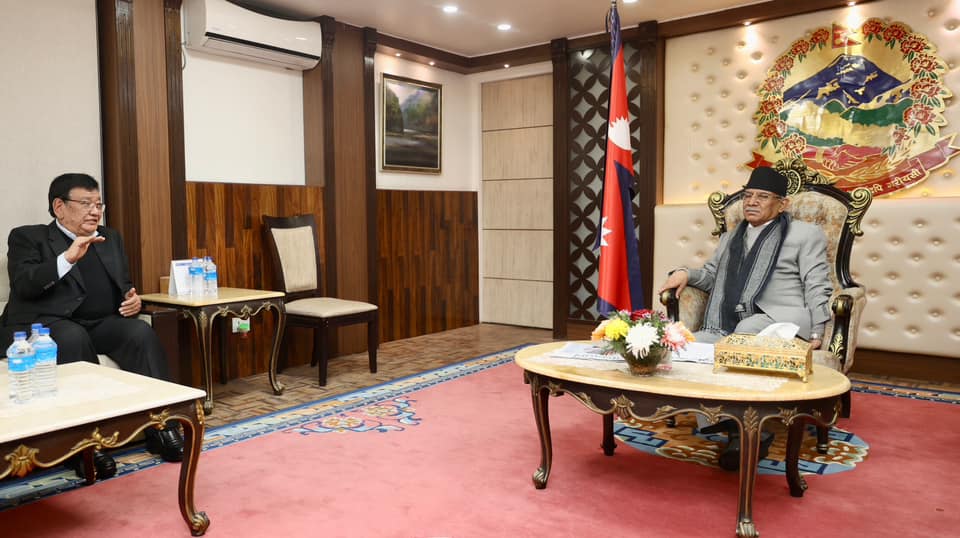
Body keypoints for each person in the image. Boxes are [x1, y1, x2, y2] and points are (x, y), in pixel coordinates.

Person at [1, 173, 184, 479]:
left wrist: (133, 301)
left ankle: (161, 426)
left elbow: (123, 285)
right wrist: (67, 258)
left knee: (139, 333)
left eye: (98, 204)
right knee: (72, 337)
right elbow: (25, 284)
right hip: (45, 325)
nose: (95, 211)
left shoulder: (110, 238)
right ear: (59, 207)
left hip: (98, 323)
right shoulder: (28, 237)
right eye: (86, 203)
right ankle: (85, 445)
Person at [658, 166, 833, 470]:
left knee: (745, 333)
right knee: (690, 347)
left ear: (782, 204)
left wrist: (818, 330)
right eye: (748, 195)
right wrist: (685, 273)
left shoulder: (804, 234)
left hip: (779, 319)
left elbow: (817, 283)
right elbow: (711, 276)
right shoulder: (731, 237)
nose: (751, 202)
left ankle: (742, 433)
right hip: (726, 322)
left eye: (762, 196)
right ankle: (728, 425)